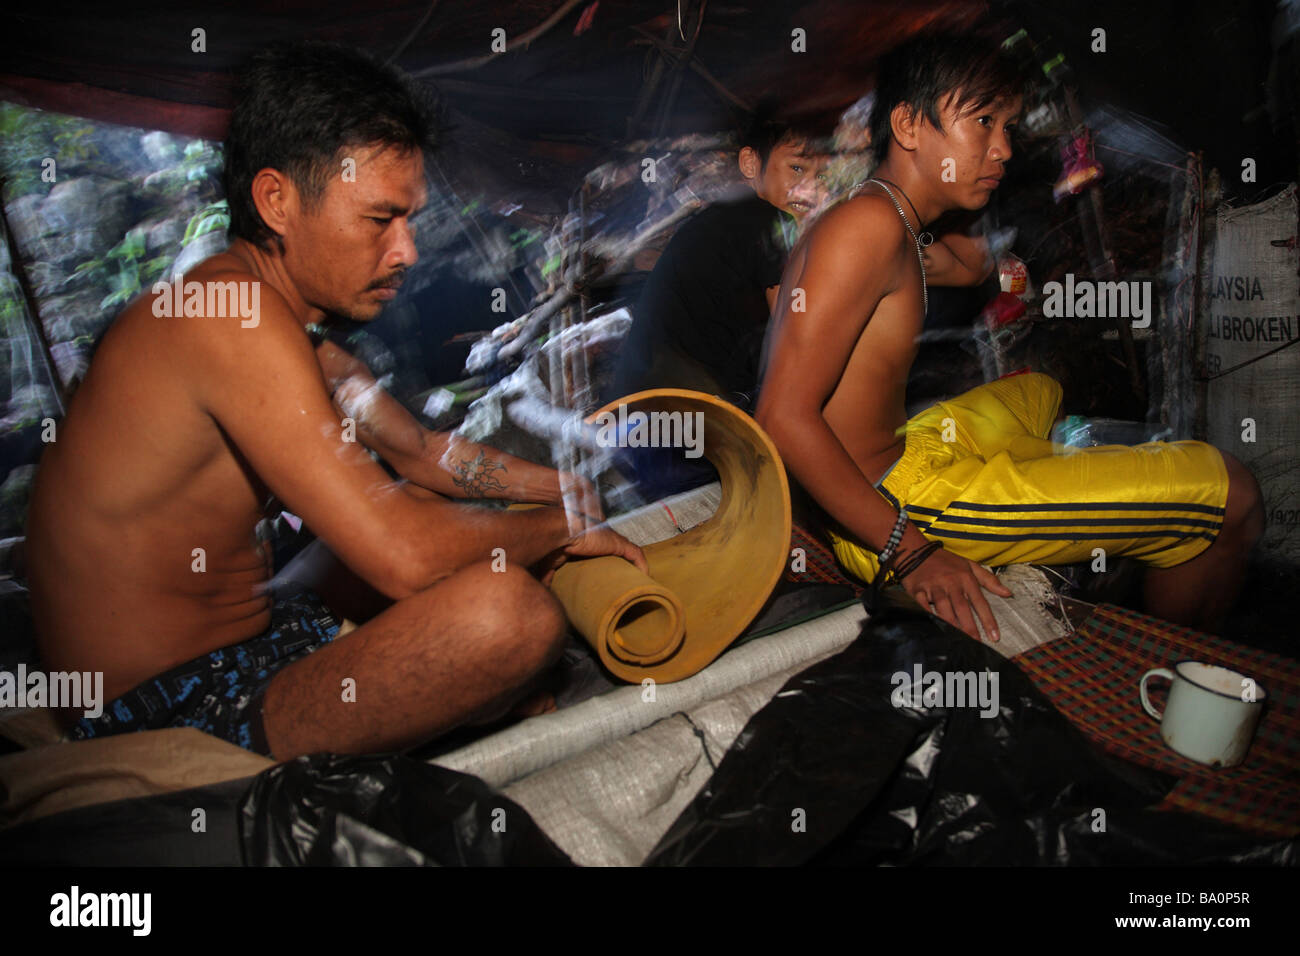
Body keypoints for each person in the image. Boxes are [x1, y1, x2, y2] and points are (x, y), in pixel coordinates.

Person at [24, 41, 645, 760]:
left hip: (253, 637)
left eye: (409, 219)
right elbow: (404, 558)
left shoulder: (279, 321)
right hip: (159, 710)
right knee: (509, 616)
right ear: (276, 200)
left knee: (415, 538)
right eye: (381, 219)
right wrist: (564, 525)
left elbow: (421, 452)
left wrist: (566, 488)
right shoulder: (228, 316)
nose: (408, 251)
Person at [756, 28, 1263, 640]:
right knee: (1231, 493)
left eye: (1008, 127)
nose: (1003, 149)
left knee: (1040, 390)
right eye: (984, 122)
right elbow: (782, 418)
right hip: (901, 504)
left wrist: (982, 227)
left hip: (910, 448)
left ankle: (1068, 486)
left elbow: (968, 265)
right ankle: (1162, 659)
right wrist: (913, 553)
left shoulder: (884, 216)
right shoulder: (865, 229)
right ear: (910, 126)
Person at [608, 112, 831, 411]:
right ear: (750, 163)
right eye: (796, 168)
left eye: (821, 176)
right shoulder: (767, 219)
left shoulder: (724, 218)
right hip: (682, 415)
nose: (810, 189)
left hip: (642, 408)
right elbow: (798, 330)